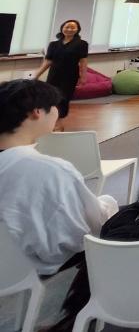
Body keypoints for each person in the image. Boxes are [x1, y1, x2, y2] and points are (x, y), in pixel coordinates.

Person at [0, 80, 119, 276]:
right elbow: (84, 230)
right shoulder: (50, 169)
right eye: (55, 106)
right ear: (37, 112)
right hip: (43, 270)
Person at [33, 19, 89, 125]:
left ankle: (59, 121)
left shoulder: (82, 44)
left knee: (64, 98)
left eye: (73, 27)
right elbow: (48, 61)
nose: (69, 29)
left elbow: (83, 61)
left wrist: (83, 76)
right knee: (50, 96)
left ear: (77, 30)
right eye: (67, 27)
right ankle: (49, 119)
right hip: (54, 74)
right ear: (62, 28)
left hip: (70, 75)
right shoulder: (53, 44)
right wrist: (37, 74)